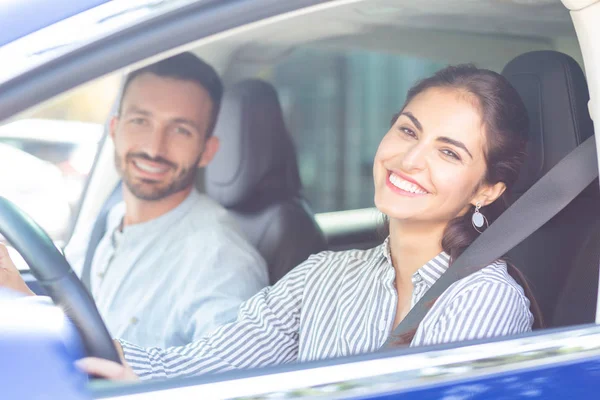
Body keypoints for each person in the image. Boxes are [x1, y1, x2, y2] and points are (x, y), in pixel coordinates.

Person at [3, 64, 540, 381]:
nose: (409, 160)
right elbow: (198, 368)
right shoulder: (324, 277)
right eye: (407, 131)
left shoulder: (482, 299)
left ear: (487, 189)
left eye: (448, 153)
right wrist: (36, 314)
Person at [0, 52, 269, 349]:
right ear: (115, 129)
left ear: (207, 150)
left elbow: (225, 385)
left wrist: (27, 304)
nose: (155, 148)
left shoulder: (222, 261)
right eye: (141, 121)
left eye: (181, 130)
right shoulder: (106, 223)